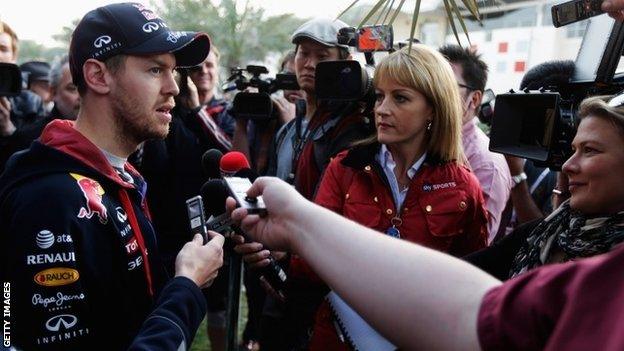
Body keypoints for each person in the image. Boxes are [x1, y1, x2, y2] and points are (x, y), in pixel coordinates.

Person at [0, 3, 224, 349]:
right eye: (154, 70)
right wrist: (187, 286)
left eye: (173, 71)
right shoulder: (50, 201)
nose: (174, 88)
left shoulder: (120, 176)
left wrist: (192, 263)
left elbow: (124, 309)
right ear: (98, 76)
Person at [259, 45, 485, 350]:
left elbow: (471, 285)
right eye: (379, 96)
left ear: (434, 107)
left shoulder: (463, 187)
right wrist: (281, 254)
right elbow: (312, 263)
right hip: (336, 339)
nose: (382, 109)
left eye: (400, 98)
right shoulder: (345, 168)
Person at [465, 94, 624, 281]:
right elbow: (459, 275)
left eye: (589, 150)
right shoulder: (546, 231)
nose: (567, 166)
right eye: (573, 151)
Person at [439, 45, 512, 241]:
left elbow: (476, 245)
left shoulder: (487, 164)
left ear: (474, 99)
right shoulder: (418, 140)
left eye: (445, 86)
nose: (434, 93)